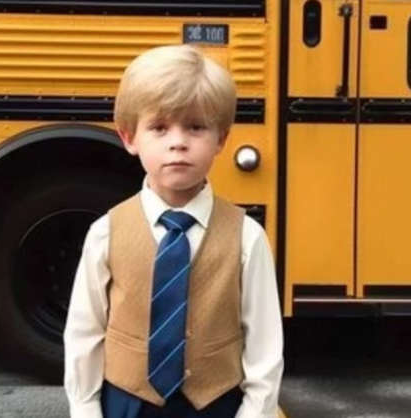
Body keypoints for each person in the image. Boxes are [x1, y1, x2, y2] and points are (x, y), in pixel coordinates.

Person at [64, 44, 284, 418]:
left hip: (217, 405)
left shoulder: (247, 237)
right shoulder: (105, 233)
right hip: (127, 405)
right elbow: (84, 332)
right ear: (129, 138)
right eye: (159, 128)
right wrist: (86, 409)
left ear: (221, 138)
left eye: (196, 127)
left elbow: (264, 345)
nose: (178, 142)